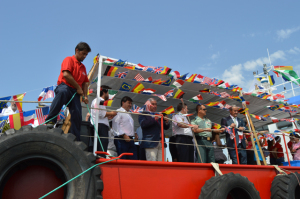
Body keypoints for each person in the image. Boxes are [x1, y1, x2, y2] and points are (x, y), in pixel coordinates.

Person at [45, 42, 91, 141]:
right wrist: (78, 88)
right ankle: (50, 121)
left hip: (75, 92)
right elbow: (66, 74)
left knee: (77, 113)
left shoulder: (83, 67)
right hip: (65, 86)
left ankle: (75, 138)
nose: (85, 56)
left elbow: (85, 83)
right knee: (62, 92)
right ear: (77, 51)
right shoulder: (68, 59)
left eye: (86, 54)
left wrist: (85, 96)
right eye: (83, 53)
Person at [90, 85, 117, 157]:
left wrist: (108, 116)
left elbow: (100, 115)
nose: (109, 95)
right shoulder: (99, 100)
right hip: (100, 127)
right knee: (101, 149)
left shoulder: (98, 101)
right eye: (108, 93)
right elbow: (100, 113)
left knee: (102, 147)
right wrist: (111, 113)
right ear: (104, 92)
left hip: (100, 125)